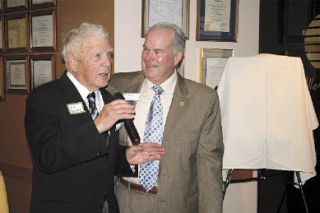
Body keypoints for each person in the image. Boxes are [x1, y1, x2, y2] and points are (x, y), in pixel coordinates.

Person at [24, 22, 165, 213]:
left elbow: (101, 158)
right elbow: (47, 158)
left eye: (109, 54)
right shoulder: (45, 99)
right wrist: (97, 125)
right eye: (97, 55)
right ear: (73, 62)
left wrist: (125, 157)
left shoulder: (108, 97)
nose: (107, 62)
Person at [107, 23, 224, 213]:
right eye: (146, 49)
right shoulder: (117, 86)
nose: (148, 57)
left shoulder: (203, 100)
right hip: (125, 201)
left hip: (176, 205)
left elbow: (209, 168)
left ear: (177, 57)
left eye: (158, 51)